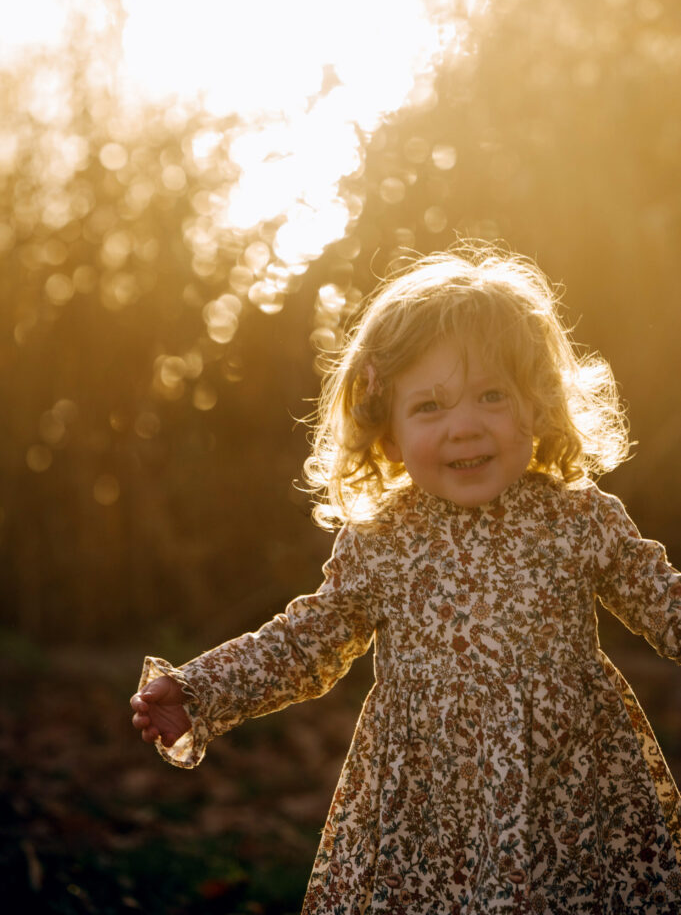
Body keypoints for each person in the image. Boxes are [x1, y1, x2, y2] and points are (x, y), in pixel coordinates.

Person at [130, 245, 681, 913]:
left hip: (568, 802)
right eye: (429, 407)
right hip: (424, 816)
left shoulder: (578, 518)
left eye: (490, 395)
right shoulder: (381, 542)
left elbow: (662, 601)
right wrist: (200, 690)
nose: (464, 425)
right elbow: (306, 643)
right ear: (385, 433)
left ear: (533, 406)